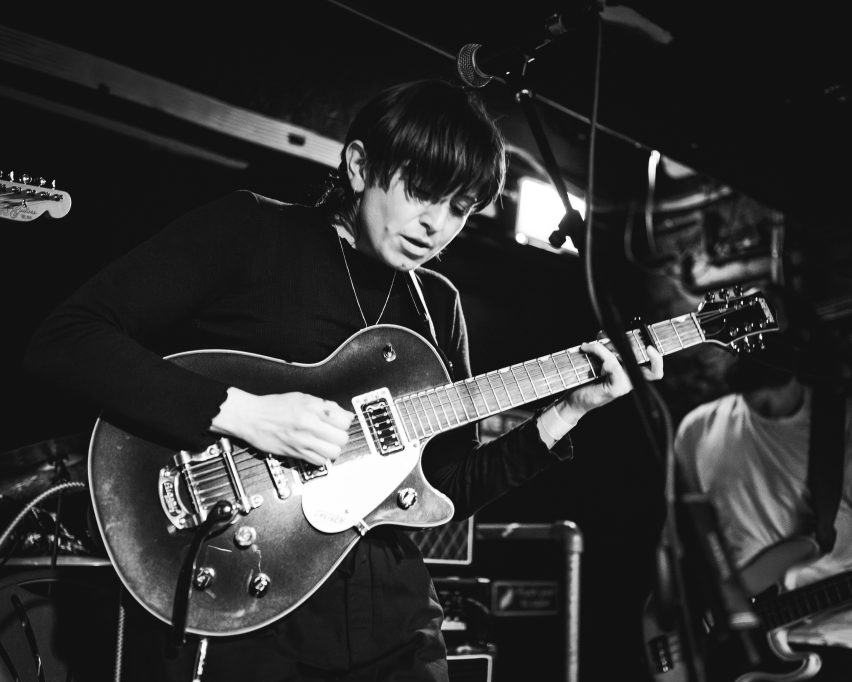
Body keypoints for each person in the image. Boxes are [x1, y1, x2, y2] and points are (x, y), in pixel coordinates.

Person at [23, 77, 663, 681]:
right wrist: (240, 412)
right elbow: (67, 339)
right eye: (422, 191)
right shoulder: (251, 232)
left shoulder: (436, 307)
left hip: (394, 625)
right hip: (248, 609)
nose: (436, 224)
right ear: (359, 166)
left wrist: (569, 411)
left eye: (460, 208)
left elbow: (442, 488)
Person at [673, 298, 852, 682]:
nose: (760, 402)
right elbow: (688, 532)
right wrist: (704, 601)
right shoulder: (697, 428)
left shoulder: (841, 423)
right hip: (727, 634)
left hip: (832, 636)